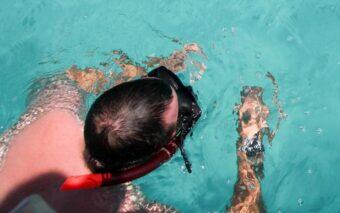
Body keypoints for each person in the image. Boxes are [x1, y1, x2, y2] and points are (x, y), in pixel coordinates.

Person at [0, 46, 276, 213]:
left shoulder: (55, 107)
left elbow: (70, 76)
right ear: (162, 152)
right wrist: (250, 141)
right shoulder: (126, 205)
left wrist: (138, 79)